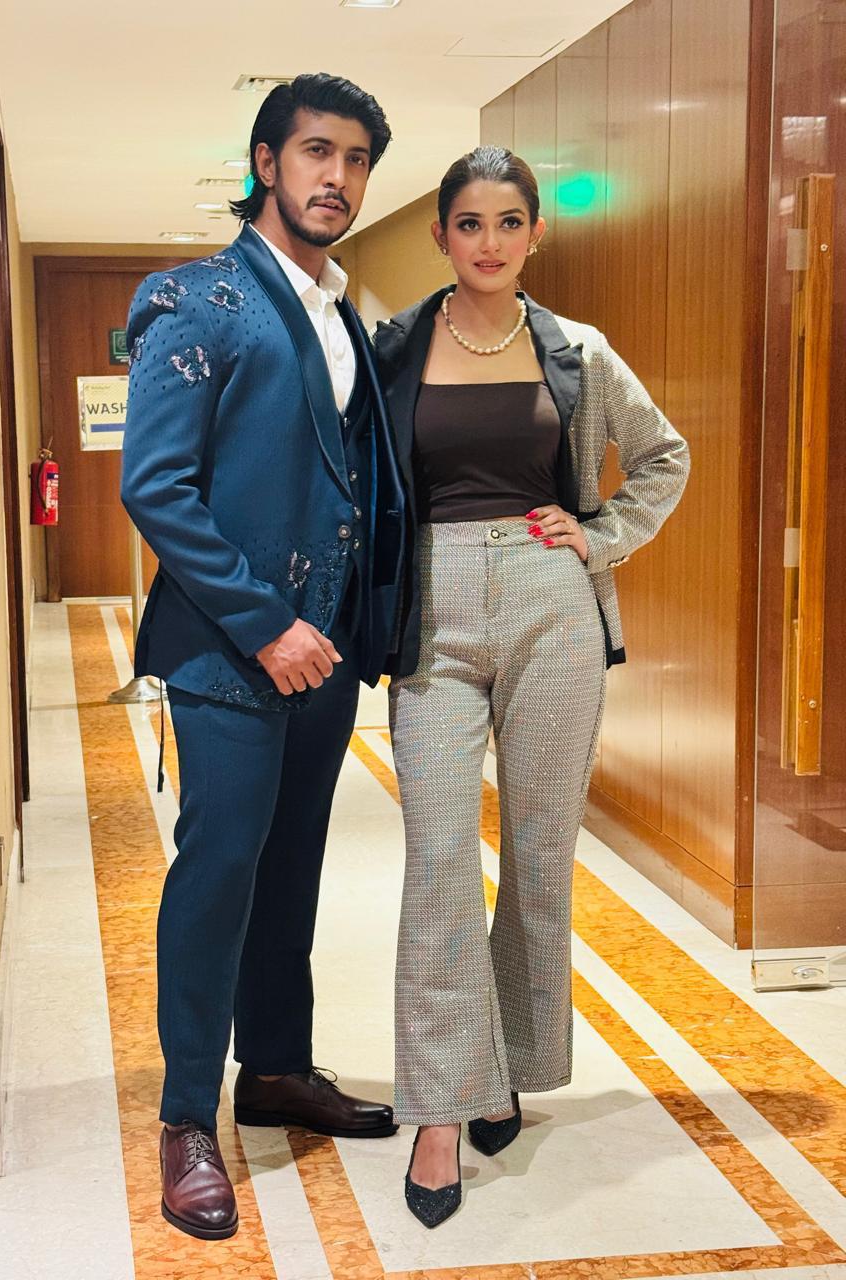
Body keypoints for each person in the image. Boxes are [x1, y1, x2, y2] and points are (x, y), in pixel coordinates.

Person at [373, 145, 689, 1229]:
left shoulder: (578, 350)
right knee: (439, 859)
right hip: (435, 609)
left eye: (510, 222)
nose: (490, 242)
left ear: (535, 234)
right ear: (441, 234)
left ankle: (504, 1066)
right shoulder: (397, 347)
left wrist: (603, 534)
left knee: (542, 852)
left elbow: (663, 456)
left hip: (554, 602)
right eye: (470, 223)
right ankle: (439, 1108)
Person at [121, 73, 406, 1242]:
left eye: (356, 159)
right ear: (266, 162)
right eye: (316, 152)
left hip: (323, 651)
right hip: (235, 650)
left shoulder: (345, 314)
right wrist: (263, 622)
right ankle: (187, 1114)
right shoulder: (194, 298)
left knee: (292, 866)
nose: (336, 177)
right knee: (220, 869)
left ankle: (278, 1066)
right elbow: (157, 485)